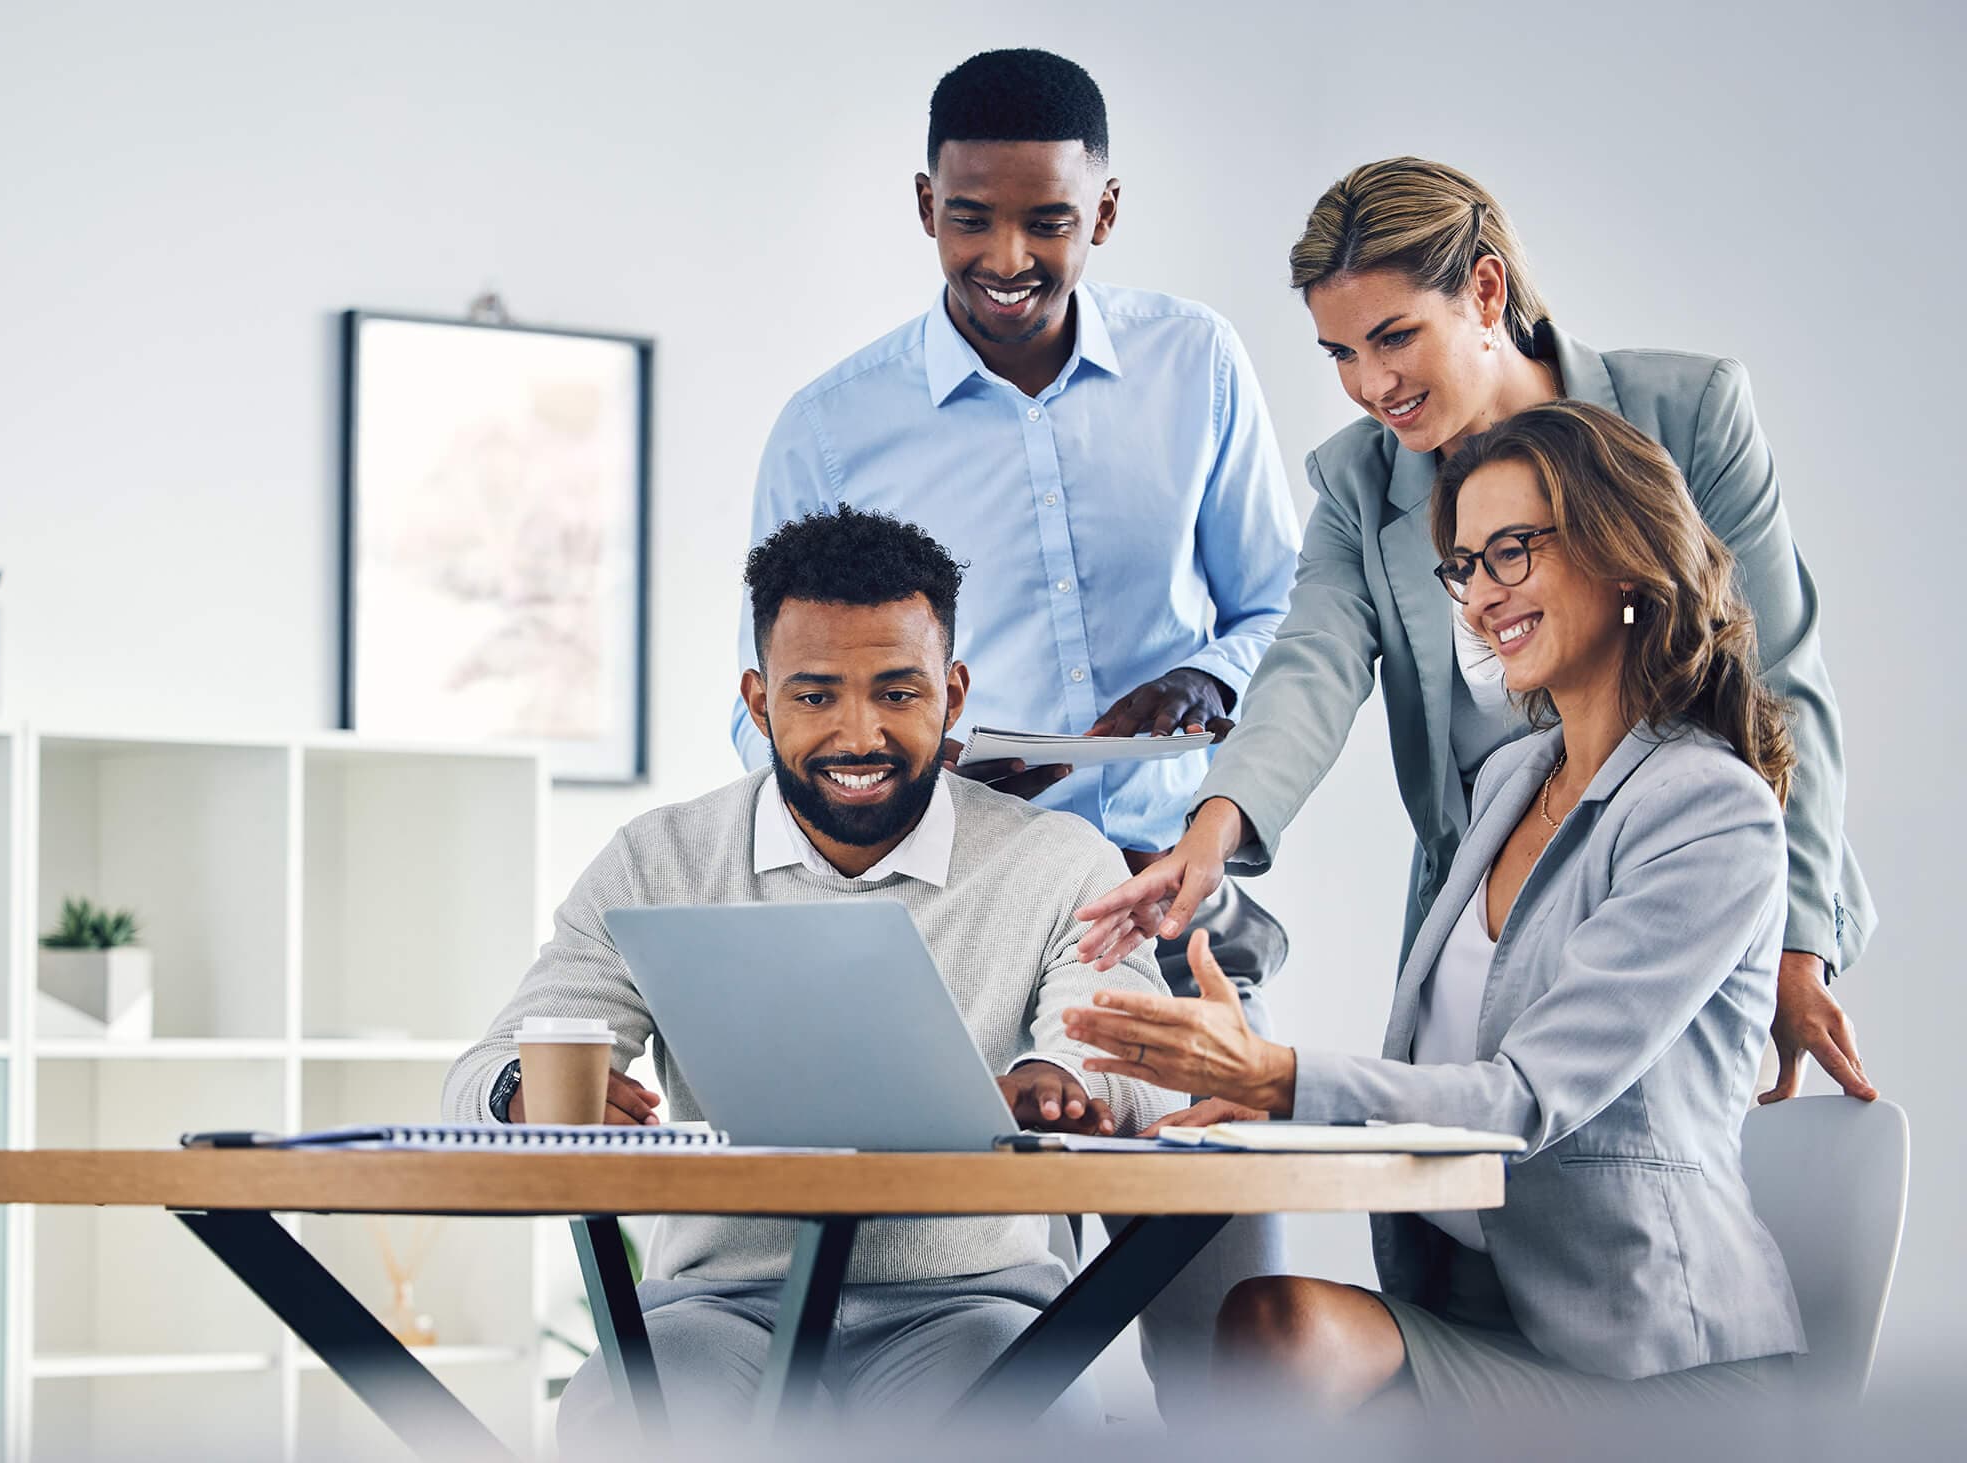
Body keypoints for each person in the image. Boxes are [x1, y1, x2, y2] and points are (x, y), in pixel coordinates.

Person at [730, 47, 1303, 1413]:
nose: (1009, 254)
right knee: (973, 1347)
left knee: (1234, 1342)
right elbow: (766, 713)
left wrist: (1203, 688)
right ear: (925, 203)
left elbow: (1288, 607)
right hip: (957, 928)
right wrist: (913, 763)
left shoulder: (1197, 365)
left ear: (1102, 213)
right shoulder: (832, 426)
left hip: (1175, 916)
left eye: (1047, 219)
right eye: (973, 215)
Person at [1077, 157, 1875, 1107]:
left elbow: (1779, 677)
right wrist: (1207, 837)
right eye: (1339, 354)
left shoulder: (1687, 416)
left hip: (1680, 882)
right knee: (1458, 1202)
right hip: (1487, 904)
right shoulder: (1360, 482)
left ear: (1485, 290)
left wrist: (1796, 946)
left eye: (1394, 336)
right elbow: (1310, 666)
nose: (1372, 384)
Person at [1064, 402, 1804, 1409]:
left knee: (1275, 1333)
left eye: (1512, 551)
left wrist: (1285, 1078)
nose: (1481, 595)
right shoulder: (1510, 780)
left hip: (1650, 1358)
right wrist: (1258, 1097)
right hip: (1464, 1308)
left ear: (1624, 555)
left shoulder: (1710, 810)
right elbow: (1434, 1075)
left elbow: (1520, 1098)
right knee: (1263, 1318)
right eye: (1463, 566)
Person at [446, 505, 1180, 1441]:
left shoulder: (1058, 860)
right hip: (720, 1313)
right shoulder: (657, 857)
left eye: (898, 693)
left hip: (969, 1308)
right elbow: (489, 1065)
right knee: (635, 1418)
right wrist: (523, 1093)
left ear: (953, 694)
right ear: (759, 702)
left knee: (1029, 1424)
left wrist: (1072, 1084)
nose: (858, 734)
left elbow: (1133, 1060)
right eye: (816, 694)